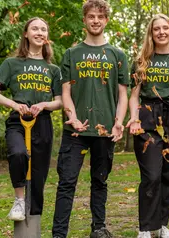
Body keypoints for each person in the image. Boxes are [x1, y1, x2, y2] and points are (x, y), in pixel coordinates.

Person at [51, 0, 129, 237]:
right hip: (75, 130)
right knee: (66, 183)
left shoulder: (118, 54)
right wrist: (72, 117)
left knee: (100, 181)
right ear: (84, 20)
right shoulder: (71, 53)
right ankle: (59, 233)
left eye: (100, 16)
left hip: (105, 129)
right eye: (91, 16)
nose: (95, 20)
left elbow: (123, 93)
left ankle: (99, 228)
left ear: (106, 20)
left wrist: (118, 122)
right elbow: (65, 91)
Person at [126, 13, 169, 238]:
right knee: (152, 175)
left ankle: (162, 225)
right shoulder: (141, 60)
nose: (161, 32)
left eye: (165, 28)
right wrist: (134, 118)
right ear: (151, 33)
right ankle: (145, 228)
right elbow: (134, 96)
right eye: (157, 29)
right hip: (148, 116)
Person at [0, 17, 62, 221]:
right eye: (35, 29)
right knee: (18, 153)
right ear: (26, 34)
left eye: (43, 30)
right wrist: (14, 105)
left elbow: (60, 101)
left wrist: (44, 105)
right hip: (18, 120)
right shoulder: (12, 63)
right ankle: (19, 200)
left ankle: (33, 225)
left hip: (42, 123)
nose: (40, 33)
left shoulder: (53, 70)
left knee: (38, 176)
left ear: (47, 36)